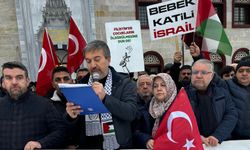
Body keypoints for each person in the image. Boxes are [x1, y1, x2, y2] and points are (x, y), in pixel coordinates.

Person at [65, 40, 137, 149]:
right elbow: (73, 123)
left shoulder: (124, 82)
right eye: (88, 61)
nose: (93, 65)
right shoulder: (81, 85)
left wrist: (105, 98)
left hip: (118, 145)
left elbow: (131, 113)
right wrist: (70, 116)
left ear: (108, 59)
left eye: (97, 59)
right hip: (88, 145)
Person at [0, 61, 66, 149]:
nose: (14, 82)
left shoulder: (44, 104)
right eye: (8, 78)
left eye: (19, 77)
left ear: (27, 81)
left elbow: (61, 132)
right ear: (3, 82)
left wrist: (40, 143)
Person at [185, 59, 238, 147]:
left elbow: (231, 115)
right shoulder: (183, 95)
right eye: (195, 72)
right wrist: (194, 136)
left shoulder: (222, 93)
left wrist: (217, 135)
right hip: (192, 144)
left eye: (203, 72)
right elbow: (179, 121)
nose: (198, 76)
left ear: (212, 75)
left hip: (220, 144)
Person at [146, 73, 177, 149]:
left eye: (163, 85)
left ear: (170, 87)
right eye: (155, 86)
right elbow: (138, 130)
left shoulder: (179, 106)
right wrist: (147, 140)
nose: (159, 89)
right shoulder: (148, 105)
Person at [226, 60, 250, 139]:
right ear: (235, 73)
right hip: (232, 137)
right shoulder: (227, 84)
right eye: (241, 71)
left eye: (248, 71)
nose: (244, 73)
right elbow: (209, 78)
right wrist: (198, 57)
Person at [132, 74, 154, 148]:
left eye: (148, 84)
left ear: (152, 87)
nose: (145, 86)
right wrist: (146, 139)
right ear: (137, 89)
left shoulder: (159, 104)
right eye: (142, 84)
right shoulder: (131, 104)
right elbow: (131, 129)